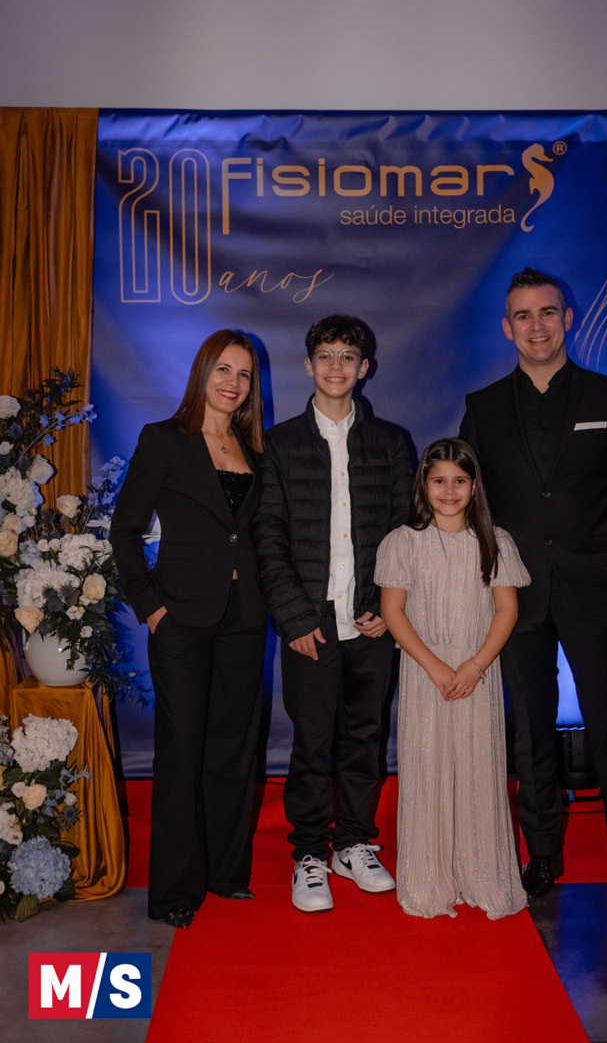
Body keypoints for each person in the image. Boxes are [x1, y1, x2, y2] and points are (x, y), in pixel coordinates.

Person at [459, 266, 607, 909]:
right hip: (516, 598)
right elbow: (467, 505)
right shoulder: (483, 408)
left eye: (547, 312)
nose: (537, 325)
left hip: (595, 591)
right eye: (523, 315)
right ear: (507, 328)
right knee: (531, 732)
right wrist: (487, 581)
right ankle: (542, 854)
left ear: (568, 318)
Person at [253, 314, 413, 912]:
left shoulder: (391, 443)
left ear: (364, 367)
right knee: (313, 742)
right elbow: (268, 537)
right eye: (325, 355)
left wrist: (387, 606)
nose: (336, 366)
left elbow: (406, 532)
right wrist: (295, 618)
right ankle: (310, 854)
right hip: (311, 623)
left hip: (372, 621)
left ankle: (353, 844)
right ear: (308, 365)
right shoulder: (279, 444)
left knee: (365, 739)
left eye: (348, 355)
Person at [110, 329, 267, 928]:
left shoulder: (255, 450)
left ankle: (225, 874)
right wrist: (151, 606)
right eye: (223, 369)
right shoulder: (164, 439)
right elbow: (125, 531)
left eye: (244, 374)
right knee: (181, 750)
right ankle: (175, 890)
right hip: (180, 619)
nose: (233, 382)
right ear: (202, 372)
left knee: (232, 748)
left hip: (244, 618)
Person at [375, 438, 529, 919]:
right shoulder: (403, 542)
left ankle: (481, 871)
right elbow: (393, 612)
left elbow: (506, 609)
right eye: (439, 480)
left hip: (477, 673)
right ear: (423, 484)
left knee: (478, 766)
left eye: (459, 480)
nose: (449, 490)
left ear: (474, 485)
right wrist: (435, 666)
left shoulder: (496, 541)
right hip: (426, 673)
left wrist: (475, 666)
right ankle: (430, 875)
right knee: (428, 766)